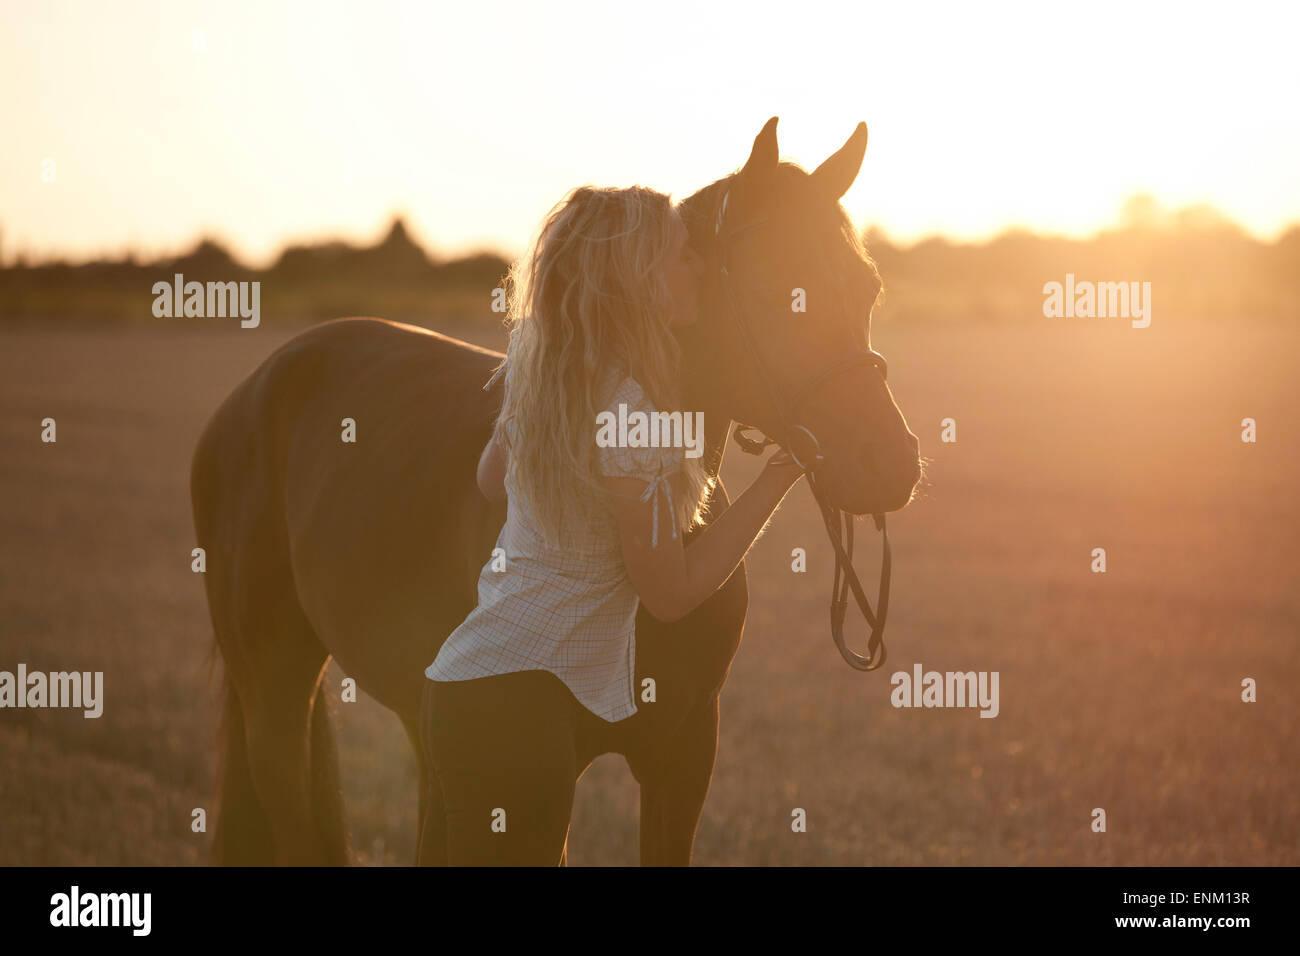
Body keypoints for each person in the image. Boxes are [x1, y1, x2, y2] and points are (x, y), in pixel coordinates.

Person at [418, 184, 805, 866]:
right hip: (520, 714)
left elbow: (488, 480)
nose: (699, 272)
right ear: (638, 279)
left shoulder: (542, 370)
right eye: (682, 257)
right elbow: (672, 593)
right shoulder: (632, 410)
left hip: (461, 690)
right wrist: (777, 479)